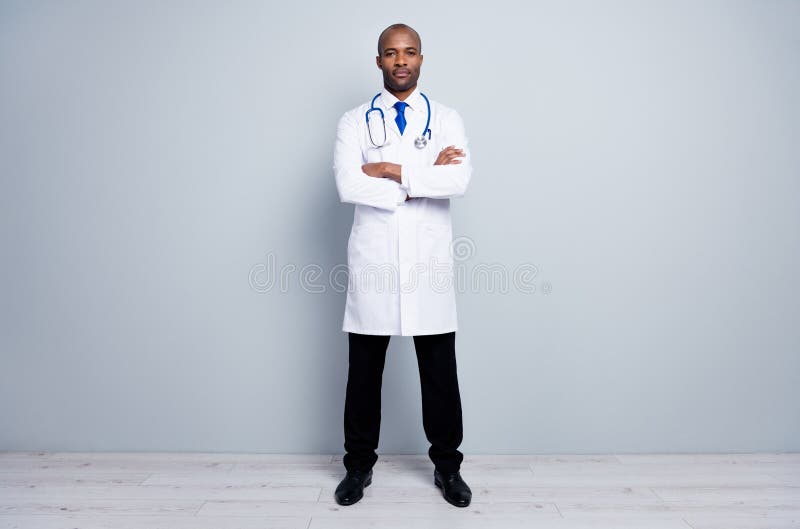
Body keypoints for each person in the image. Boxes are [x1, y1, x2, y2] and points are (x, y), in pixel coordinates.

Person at [332, 23, 473, 508]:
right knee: (364, 374)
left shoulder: (447, 118)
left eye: (409, 52)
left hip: (427, 263)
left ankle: (448, 468)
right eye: (391, 53)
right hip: (374, 261)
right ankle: (357, 468)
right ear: (379, 62)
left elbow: (458, 181)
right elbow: (349, 187)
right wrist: (423, 177)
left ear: (421, 58)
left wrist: (391, 170)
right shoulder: (354, 122)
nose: (401, 61)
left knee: (439, 372)